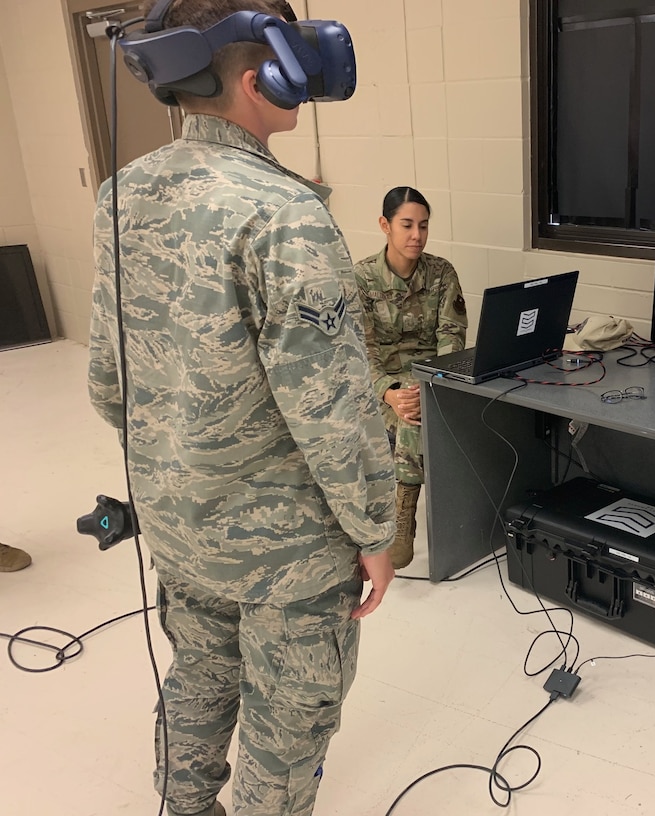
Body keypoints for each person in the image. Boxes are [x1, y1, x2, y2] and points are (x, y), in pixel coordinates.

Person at [87, 3, 396, 815]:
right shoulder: (286, 214)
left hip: (179, 523)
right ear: (265, 78)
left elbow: (106, 381)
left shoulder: (122, 193)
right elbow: (332, 410)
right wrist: (374, 530)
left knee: (198, 676)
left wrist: (177, 467)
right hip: (285, 552)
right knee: (288, 729)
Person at [354, 187, 468, 569]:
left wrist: (431, 382)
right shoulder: (361, 279)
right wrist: (389, 392)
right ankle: (404, 513)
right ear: (385, 225)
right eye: (407, 225)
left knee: (417, 403)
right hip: (381, 388)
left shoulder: (441, 273)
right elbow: (359, 354)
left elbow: (452, 337)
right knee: (409, 413)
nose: (416, 235)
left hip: (431, 380)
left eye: (423, 225)